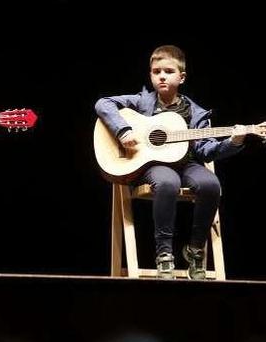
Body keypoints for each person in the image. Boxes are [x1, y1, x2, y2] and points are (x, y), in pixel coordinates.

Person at [95, 45, 247, 279]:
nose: (162, 76)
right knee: (167, 182)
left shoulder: (196, 113)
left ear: (182, 77)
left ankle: (195, 250)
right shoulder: (141, 102)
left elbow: (206, 151)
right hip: (152, 166)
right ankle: (164, 255)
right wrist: (123, 130)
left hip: (187, 164)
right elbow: (103, 103)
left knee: (210, 185)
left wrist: (233, 142)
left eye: (168, 71)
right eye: (156, 71)